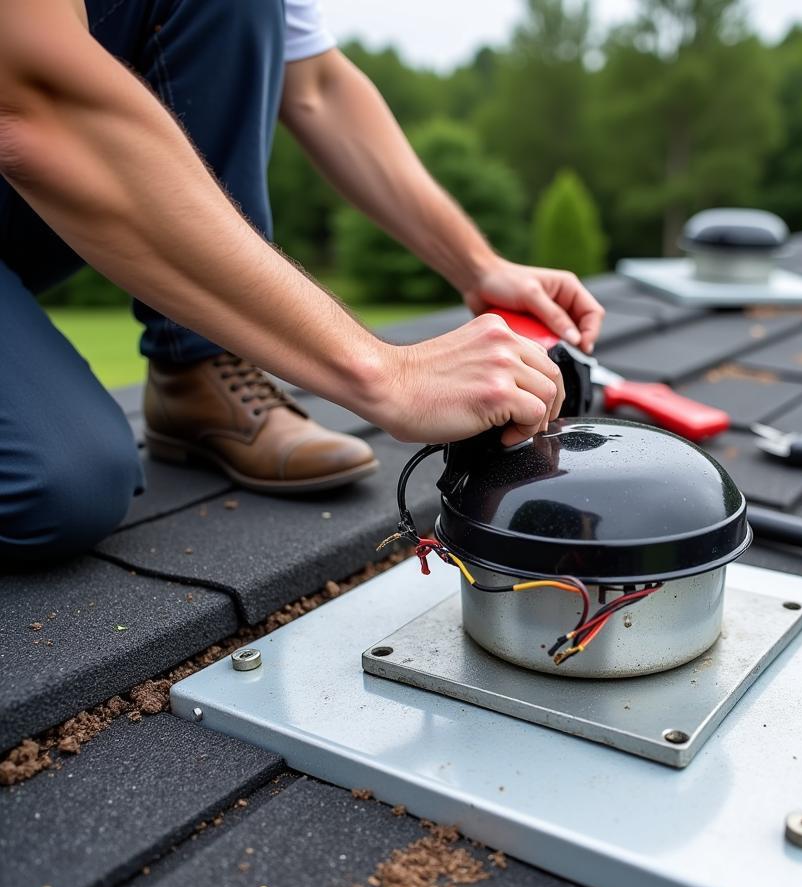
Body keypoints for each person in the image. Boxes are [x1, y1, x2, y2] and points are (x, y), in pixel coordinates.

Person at [0, 0, 605, 564]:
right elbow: (35, 101)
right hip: (32, 128)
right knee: (59, 486)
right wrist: (389, 375)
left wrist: (478, 264)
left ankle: (200, 364)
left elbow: (316, 84)